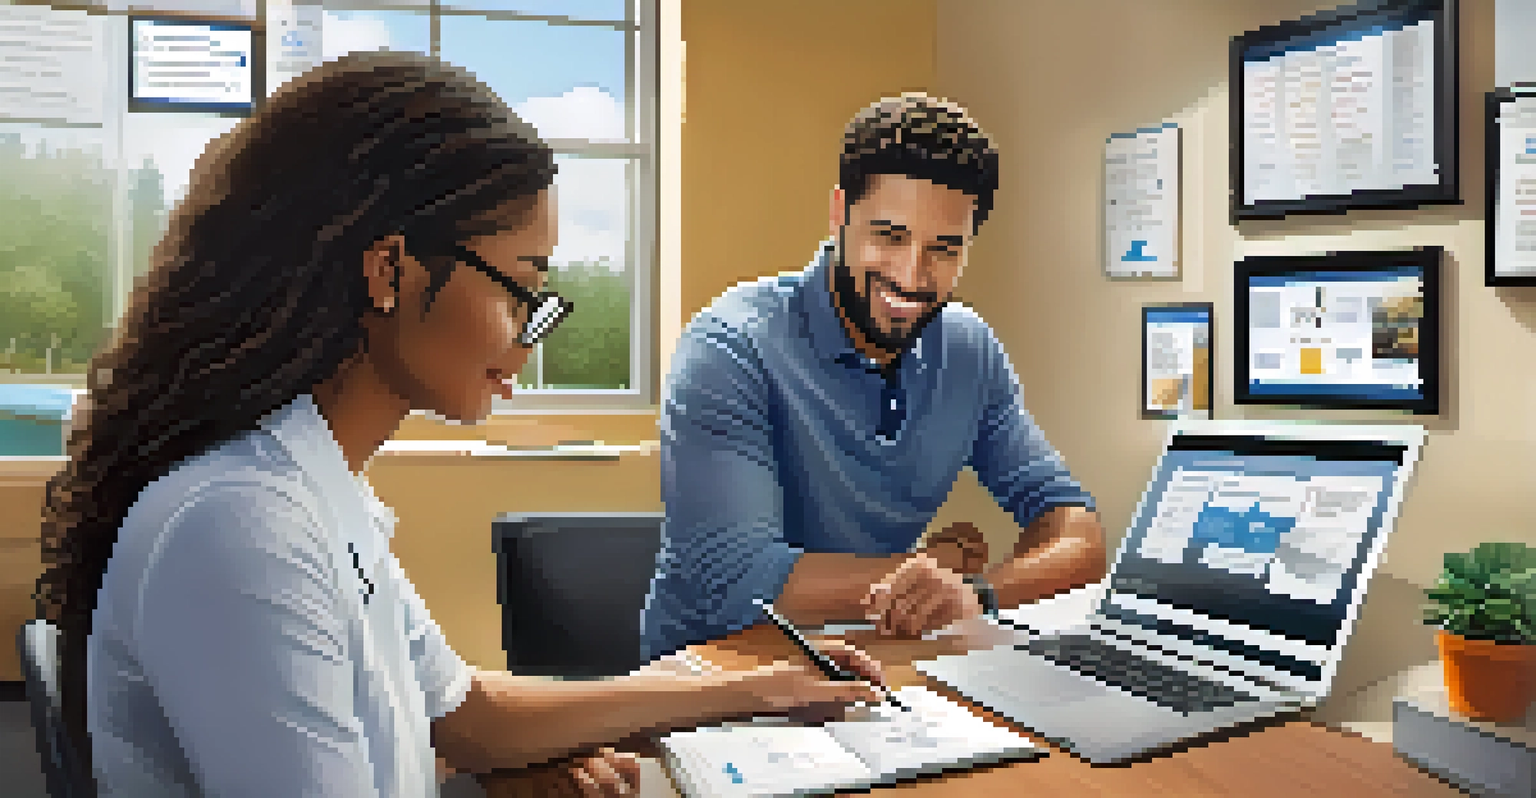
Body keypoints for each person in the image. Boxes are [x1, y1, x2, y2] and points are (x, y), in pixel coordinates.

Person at [33, 51, 886, 798]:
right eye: (521, 285)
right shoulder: (242, 527)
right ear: (391, 269)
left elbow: (466, 714)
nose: (528, 334)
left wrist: (740, 690)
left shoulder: (313, 488)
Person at [641, 92, 1110, 663]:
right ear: (839, 213)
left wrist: (977, 592)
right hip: (711, 680)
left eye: (944, 248)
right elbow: (739, 582)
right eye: (889, 236)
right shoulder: (731, 344)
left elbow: (1076, 532)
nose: (913, 276)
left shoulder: (968, 348)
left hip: (873, 664)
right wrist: (929, 567)